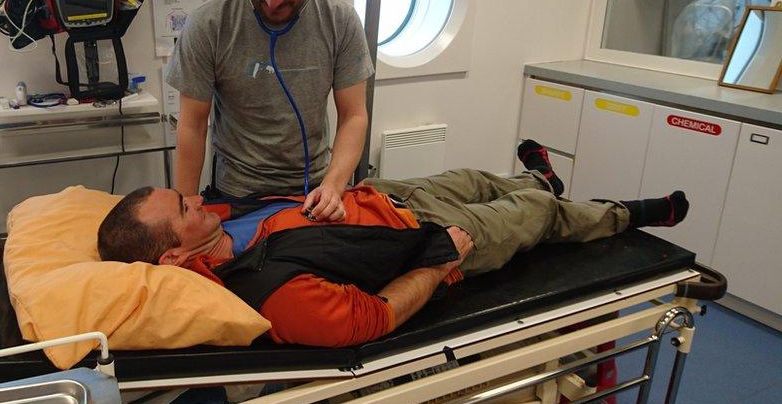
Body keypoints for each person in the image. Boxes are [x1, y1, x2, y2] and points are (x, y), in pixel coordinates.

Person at [98, 141, 689, 348]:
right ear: (175, 257)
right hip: (426, 241)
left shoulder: (222, 225)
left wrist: (343, 190)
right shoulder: (268, 293)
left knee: (480, 179)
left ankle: (544, 183)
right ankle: (624, 213)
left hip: (382, 197)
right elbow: (372, 319)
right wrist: (438, 265)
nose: (195, 198)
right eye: (184, 208)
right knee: (534, 214)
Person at [166, 0, 372, 223]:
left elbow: (354, 116)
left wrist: (334, 186)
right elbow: (192, 124)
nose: (273, 0)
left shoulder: (341, 21)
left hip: (314, 193)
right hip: (236, 195)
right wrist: (185, 210)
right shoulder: (208, 24)